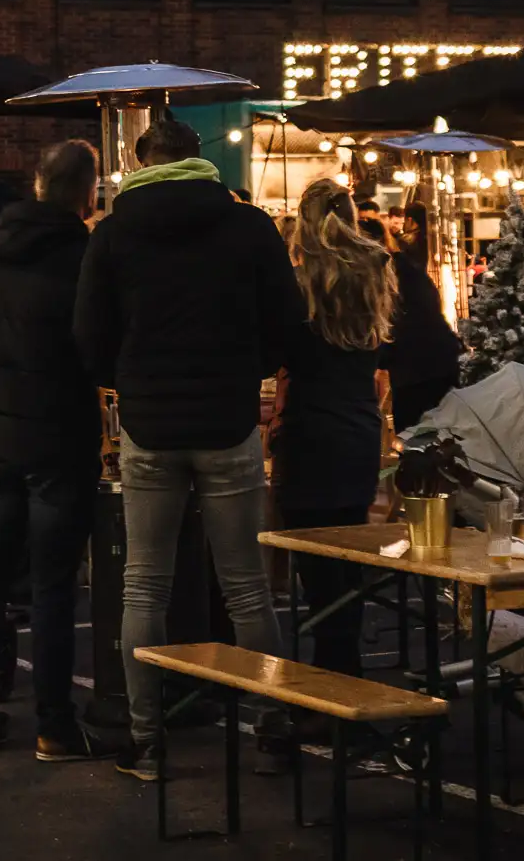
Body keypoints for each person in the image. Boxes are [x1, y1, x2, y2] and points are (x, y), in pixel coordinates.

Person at [74, 121, 292, 781]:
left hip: (148, 423)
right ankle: (272, 728)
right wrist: (247, 369)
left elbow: (88, 334)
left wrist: (127, 378)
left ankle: (145, 741)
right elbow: (287, 321)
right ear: (199, 158)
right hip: (228, 420)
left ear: (140, 161)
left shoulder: (114, 231)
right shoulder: (248, 226)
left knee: (144, 585)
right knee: (247, 588)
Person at [0, 140, 109, 760]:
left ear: (37, 186)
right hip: (60, 436)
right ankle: (54, 725)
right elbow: (96, 350)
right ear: (87, 194)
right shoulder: (83, 259)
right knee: (53, 587)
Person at [275, 182, 397, 681]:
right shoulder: (373, 272)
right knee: (349, 563)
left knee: (316, 570)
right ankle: (344, 672)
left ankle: (328, 679)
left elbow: (277, 352)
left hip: (309, 433)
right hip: (358, 430)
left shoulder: (296, 282)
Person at [359, 218, 460, 431]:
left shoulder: (379, 276)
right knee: (446, 436)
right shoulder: (406, 266)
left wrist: (379, 357)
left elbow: (388, 326)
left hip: (414, 371)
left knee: (415, 438)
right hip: (443, 360)